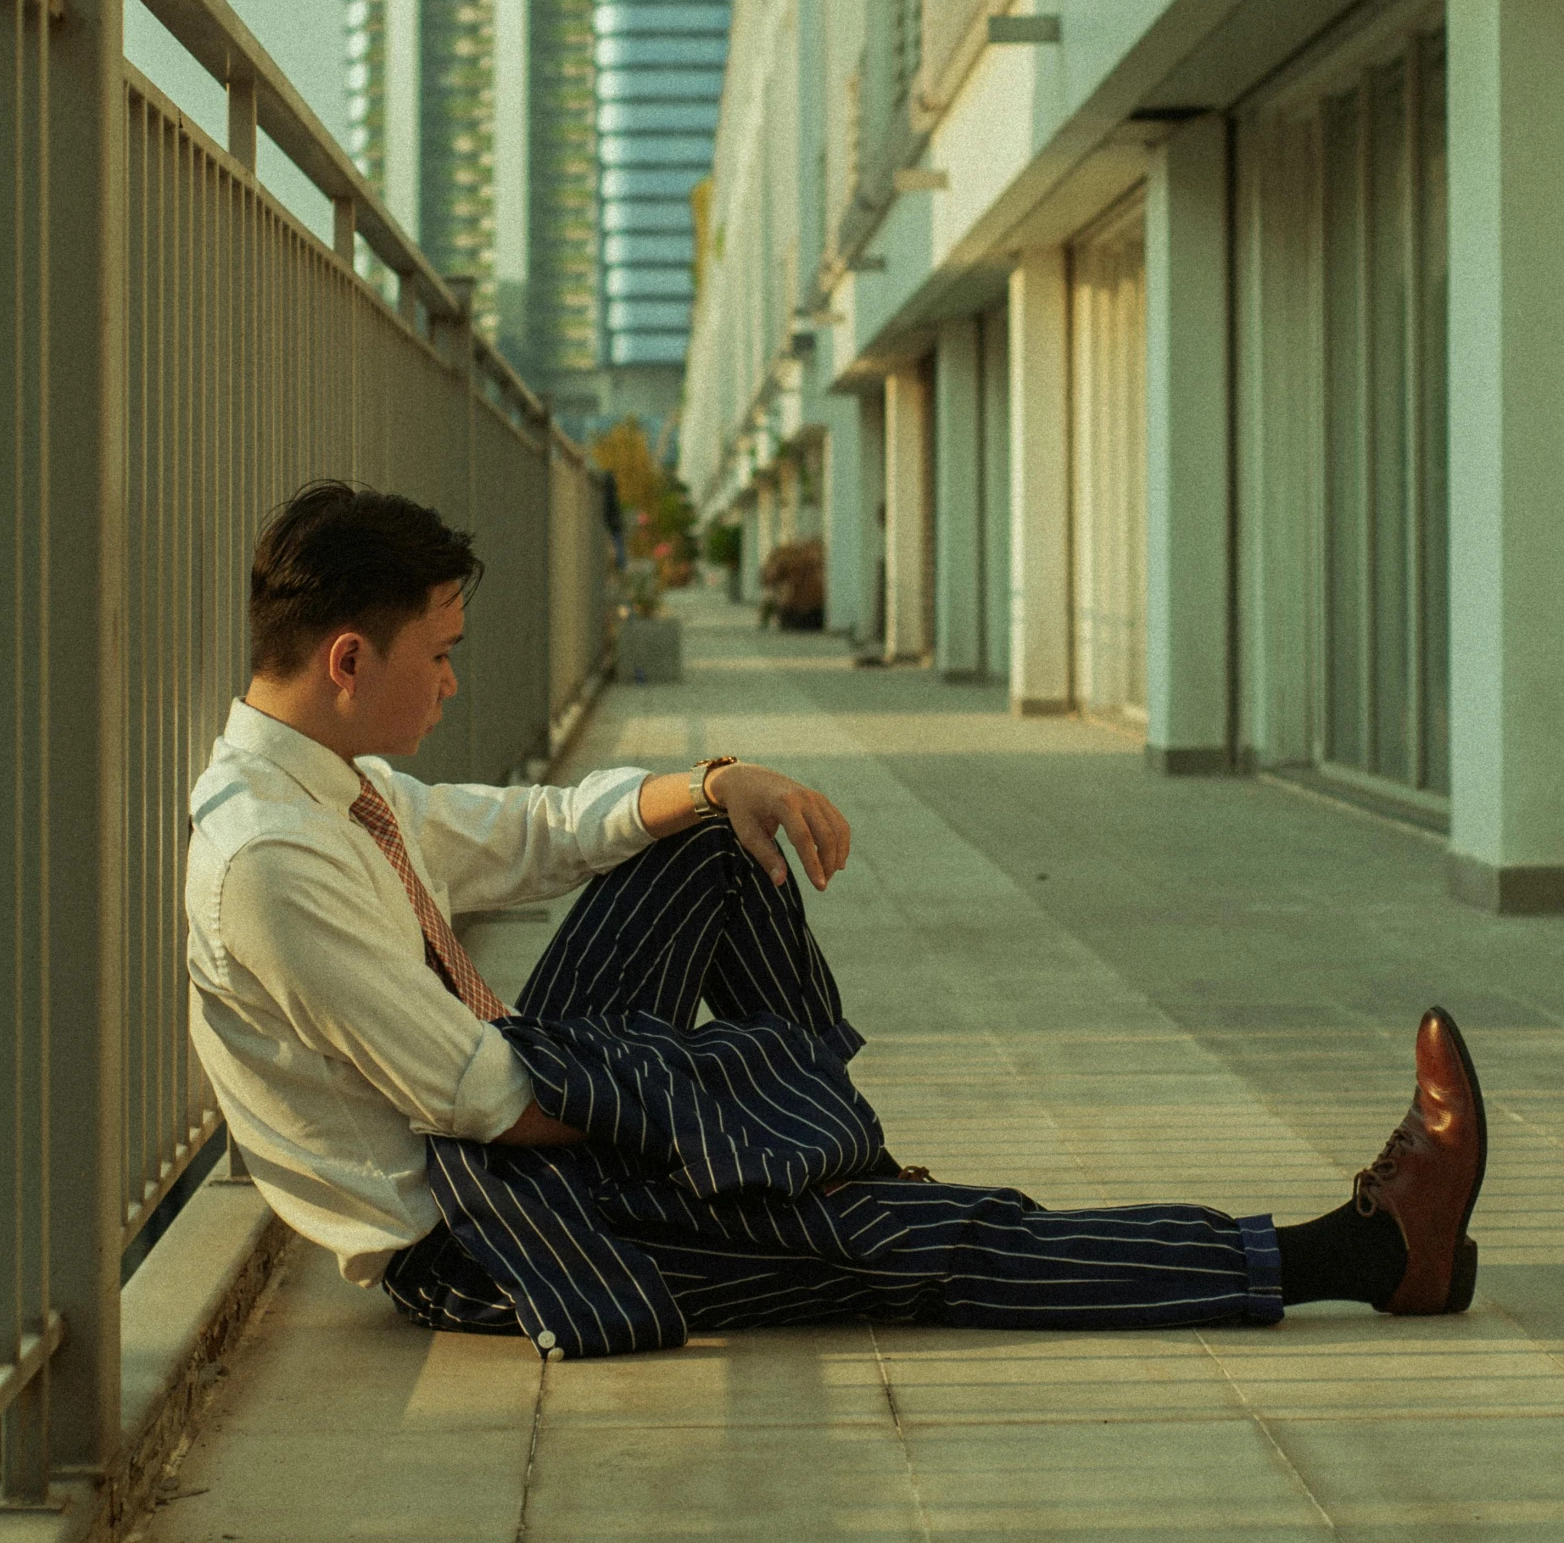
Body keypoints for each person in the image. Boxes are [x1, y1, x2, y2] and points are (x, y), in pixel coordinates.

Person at [186, 482, 1488, 1361]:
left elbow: (530, 832)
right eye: (442, 652)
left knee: (706, 846)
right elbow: (481, 1096)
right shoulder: (268, 865)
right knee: (919, 1249)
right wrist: (724, 1107)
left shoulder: (338, 779)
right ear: (350, 657)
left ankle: (825, 1166)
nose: (458, 678)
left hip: (514, 1109)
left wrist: (715, 779)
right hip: (492, 1227)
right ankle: (1364, 1252)